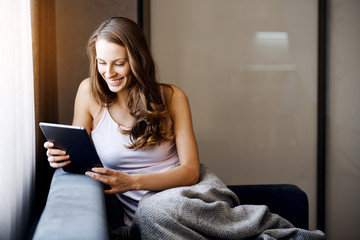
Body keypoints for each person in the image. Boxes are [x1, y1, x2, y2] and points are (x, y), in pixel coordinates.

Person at [44, 16, 200, 229]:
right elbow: (79, 155)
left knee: (157, 211)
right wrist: (60, 156)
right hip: (148, 215)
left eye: (119, 63)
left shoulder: (173, 97)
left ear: (138, 60)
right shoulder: (88, 94)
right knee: (153, 212)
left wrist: (132, 182)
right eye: (102, 62)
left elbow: (191, 171)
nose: (109, 73)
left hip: (184, 197)